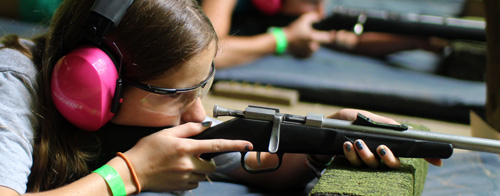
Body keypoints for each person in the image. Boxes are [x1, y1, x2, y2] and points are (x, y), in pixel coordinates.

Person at [0, 0, 441, 195]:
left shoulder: (150, 122)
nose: (198, 113)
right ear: (93, 87)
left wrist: (325, 140)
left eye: (202, 89)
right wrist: (130, 174)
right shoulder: (13, 82)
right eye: (176, 96)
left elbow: (256, 170)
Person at [200, 0, 447, 68]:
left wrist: (415, 40)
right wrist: (283, 39)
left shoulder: (303, 10)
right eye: (311, 1)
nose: (318, 11)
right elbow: (207, 55)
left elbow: (351, 40)